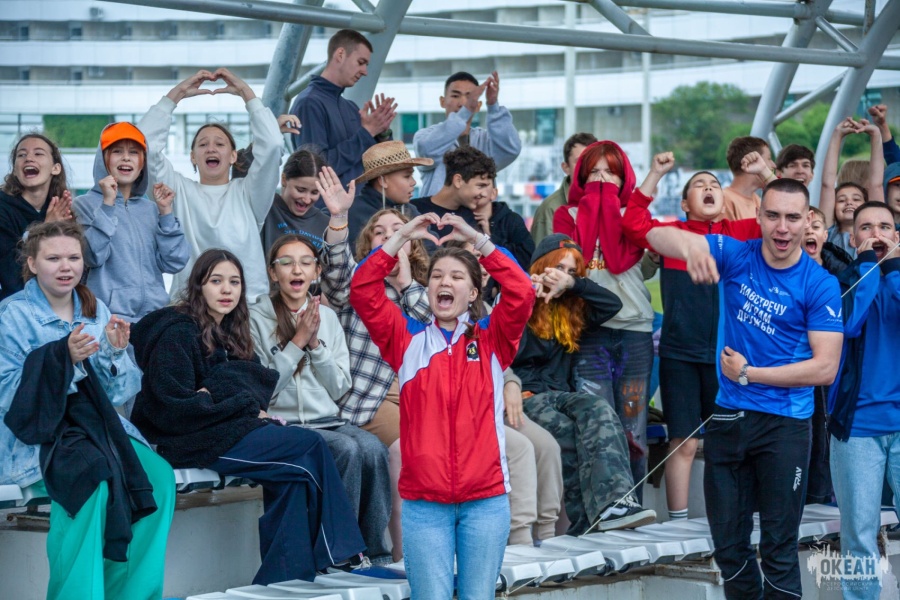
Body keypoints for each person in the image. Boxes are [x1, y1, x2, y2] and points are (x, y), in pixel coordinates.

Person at [643, 177, 844, 599]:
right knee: (729, 548)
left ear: (808, 220)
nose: (782, 228)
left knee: (778, 550)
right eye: (773, 216)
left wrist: (750, 373)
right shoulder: (736, 254)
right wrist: (692, 248)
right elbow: (655, 235)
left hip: (785, 425)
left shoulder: (818, 283)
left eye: (793, 218)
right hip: (730, 419)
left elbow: (825, 368)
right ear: (759, 216)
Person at [130, 249, 365, 585]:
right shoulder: (176, 331)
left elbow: (256, 386)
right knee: (309, 445)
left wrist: (221, 393)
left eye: (234, 282)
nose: (227, 290)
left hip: (229, 427)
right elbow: (173, 406)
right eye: (216, 281)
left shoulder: (232, 332)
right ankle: (339, 553)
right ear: (198, 286)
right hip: (189, 439)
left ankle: (284, 579)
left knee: (292, 478)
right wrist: (230, 397)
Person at [349, 212, 534, 599]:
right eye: (436, 276)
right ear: (427, 287)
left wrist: (477, 239)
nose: (444, 282)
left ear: (474, 292)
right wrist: (401, 236)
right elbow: (363, 288)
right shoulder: (405, 338)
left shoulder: (492, 339)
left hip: (485, 502)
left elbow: (521, 290)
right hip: (424, 505)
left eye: (456, 276)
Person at [0, 220, 174, 600]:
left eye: (74, 257)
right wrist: (62, 360)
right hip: (40, 437)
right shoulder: (10, 315)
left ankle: (131, 595)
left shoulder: (97, 311)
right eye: (53, 258)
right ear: (32, 263)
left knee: (159, 480)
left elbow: (120, 393)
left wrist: (114, 352)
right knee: (89, 479)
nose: (66, 266)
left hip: (100, 428)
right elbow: (7, 396)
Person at [621, 155, 761, 521]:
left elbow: (786, 214)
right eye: (699, 186)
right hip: (680, 355)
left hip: (728, 359)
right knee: (683, 442)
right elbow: (633, 223)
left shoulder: (740, 233)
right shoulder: (673, 236)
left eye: (714, 185)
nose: (709, 188)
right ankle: (678, 523)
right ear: (684, 204)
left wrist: (764, 174)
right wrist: (656, 173)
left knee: (728, 443)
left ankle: (730, 519)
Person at [249, 233, 392, 564]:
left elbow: (340, 387)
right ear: (273, 273)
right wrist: (297, 342)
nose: (296, 270)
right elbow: (264, 388)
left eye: (305, 262)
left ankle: (375, 553)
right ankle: (339, 553)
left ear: (316, 272)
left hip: (327, 420)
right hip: (283, 423)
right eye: (286, 263)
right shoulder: (256, 318)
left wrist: (315, 346)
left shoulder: (327, 318)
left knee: (373, 449)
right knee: (346, 450)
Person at [511, 233, 656, 535]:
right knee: (569, 434)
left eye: (571, 271)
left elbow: (612, 304)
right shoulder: (517, 299)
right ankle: (585, 524)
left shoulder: (572, 307)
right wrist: (526, 296)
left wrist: (574, 285)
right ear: (541, 265)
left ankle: (616, 503)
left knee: (600, 409)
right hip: (523, 396)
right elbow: (505, 353)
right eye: (558, 268)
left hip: (560, 395)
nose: (563, 276)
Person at [552, 140, 654, 496]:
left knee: (633, 430)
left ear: (624, 177)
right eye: (593, 172)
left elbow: (622, 257)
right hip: (588, 333)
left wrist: (611, 206)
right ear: (579, 178)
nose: (601, 179)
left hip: (635, 331)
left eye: (610, 172)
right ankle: (603, 508)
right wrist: (594, 206)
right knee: (597, 425)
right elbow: (573, 262)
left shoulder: (633, 214)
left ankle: (634, 506)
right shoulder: (566, 215)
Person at [138, 68, 284, 301]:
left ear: (234, 155)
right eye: (203, 144)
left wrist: (246, 93)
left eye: (220, 144)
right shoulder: (178, 191)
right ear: (193, 157)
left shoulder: (249, 193)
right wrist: (174, 96)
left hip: (246, 307)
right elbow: (144, 147)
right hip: (191, 308)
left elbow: (273, 145)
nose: (211, 149)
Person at [828, 201, 900, 599]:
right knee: (858, 536)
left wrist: (893, 269)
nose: (876, 234)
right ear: (853, 238)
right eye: (867, 227)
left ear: (897, 237)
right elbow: (848, 323)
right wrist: (869, 266)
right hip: (856, 429)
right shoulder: (841, 282)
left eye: (885, 227)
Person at [73, 122, 189, 321]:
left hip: (153, 318)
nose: (126, 157)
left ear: (142, 163)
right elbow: (92, 256)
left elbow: (174, 261)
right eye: (117, 151)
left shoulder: (151, 209)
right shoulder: (84, 205)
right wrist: (107, 205)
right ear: (103, 159)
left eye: (134, 152)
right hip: (108, 318)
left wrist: (166, 213)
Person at [288, 29, 396, 187]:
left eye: (366, 65)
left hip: (359, 201)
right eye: (361, 62)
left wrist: (382, 133)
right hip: (332, 203)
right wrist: (367, 133)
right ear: (340, 54)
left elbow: (383, 167)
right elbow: (315, 170)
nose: (365, 72)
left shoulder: (350, 107)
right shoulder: (309, 103)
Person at [413, 71, 521, 197]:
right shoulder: (425, 136)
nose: (462, 103)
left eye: (470, 98)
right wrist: (466, 111)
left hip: (481, 210)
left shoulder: (485, 140)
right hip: (437, 210)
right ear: (442, 101)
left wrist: (493, 106)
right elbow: (427, 152)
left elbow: (511, 150)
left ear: (478, 106)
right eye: (455, 96)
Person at [0, 133, 73, 301]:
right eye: (21, 155)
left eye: (38, 153)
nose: (29, 158)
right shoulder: (3, 208)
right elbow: (11, 278)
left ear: (55, 168)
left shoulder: (61, 209)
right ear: (15, 170)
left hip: (55, 304)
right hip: (13, 306)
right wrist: (44, 230)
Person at [819, 117, 886, 259]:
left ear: (866, 205)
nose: (849, 203)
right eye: (841, 200)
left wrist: (875, 134)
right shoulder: (828, 232)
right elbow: (827, 185)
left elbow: (876, 185)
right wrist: (837, 135)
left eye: (856, 199)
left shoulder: (876, 233)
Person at [348, 140, 430, 251]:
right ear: (383, 181)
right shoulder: (350, 212)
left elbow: (431, 249)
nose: (413, 182)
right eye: (407, 176)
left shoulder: (411, 211)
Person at [260, 147, 331, 253]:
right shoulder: (264, 207)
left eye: (314, 192)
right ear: (284, 180)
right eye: (301, 190)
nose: (307, 200)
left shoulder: (326, 224)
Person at [411, 146, 494, 236]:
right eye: (480, 186)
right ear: (458, 181)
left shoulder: (475, 218)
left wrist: (486, 235)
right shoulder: (413, 211)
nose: (485, 194)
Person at [530, 133, 597, 244]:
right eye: (579, 161)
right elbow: (544, 254)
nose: (587, 167)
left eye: (591, 160)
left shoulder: (612, 204)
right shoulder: (550, 209)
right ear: (566, 168)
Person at [473, 179, 534, 271]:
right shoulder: (458, 219)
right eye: (471, 186)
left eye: (482, 186)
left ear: (494, 193)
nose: (476, 191)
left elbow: (527, 259)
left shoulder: (512, 220)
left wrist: (491, 238)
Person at [721, 136, 777, 221]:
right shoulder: (724, 200)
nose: (774, 165)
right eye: (769, 159)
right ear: (752, 162)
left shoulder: (757, 200)